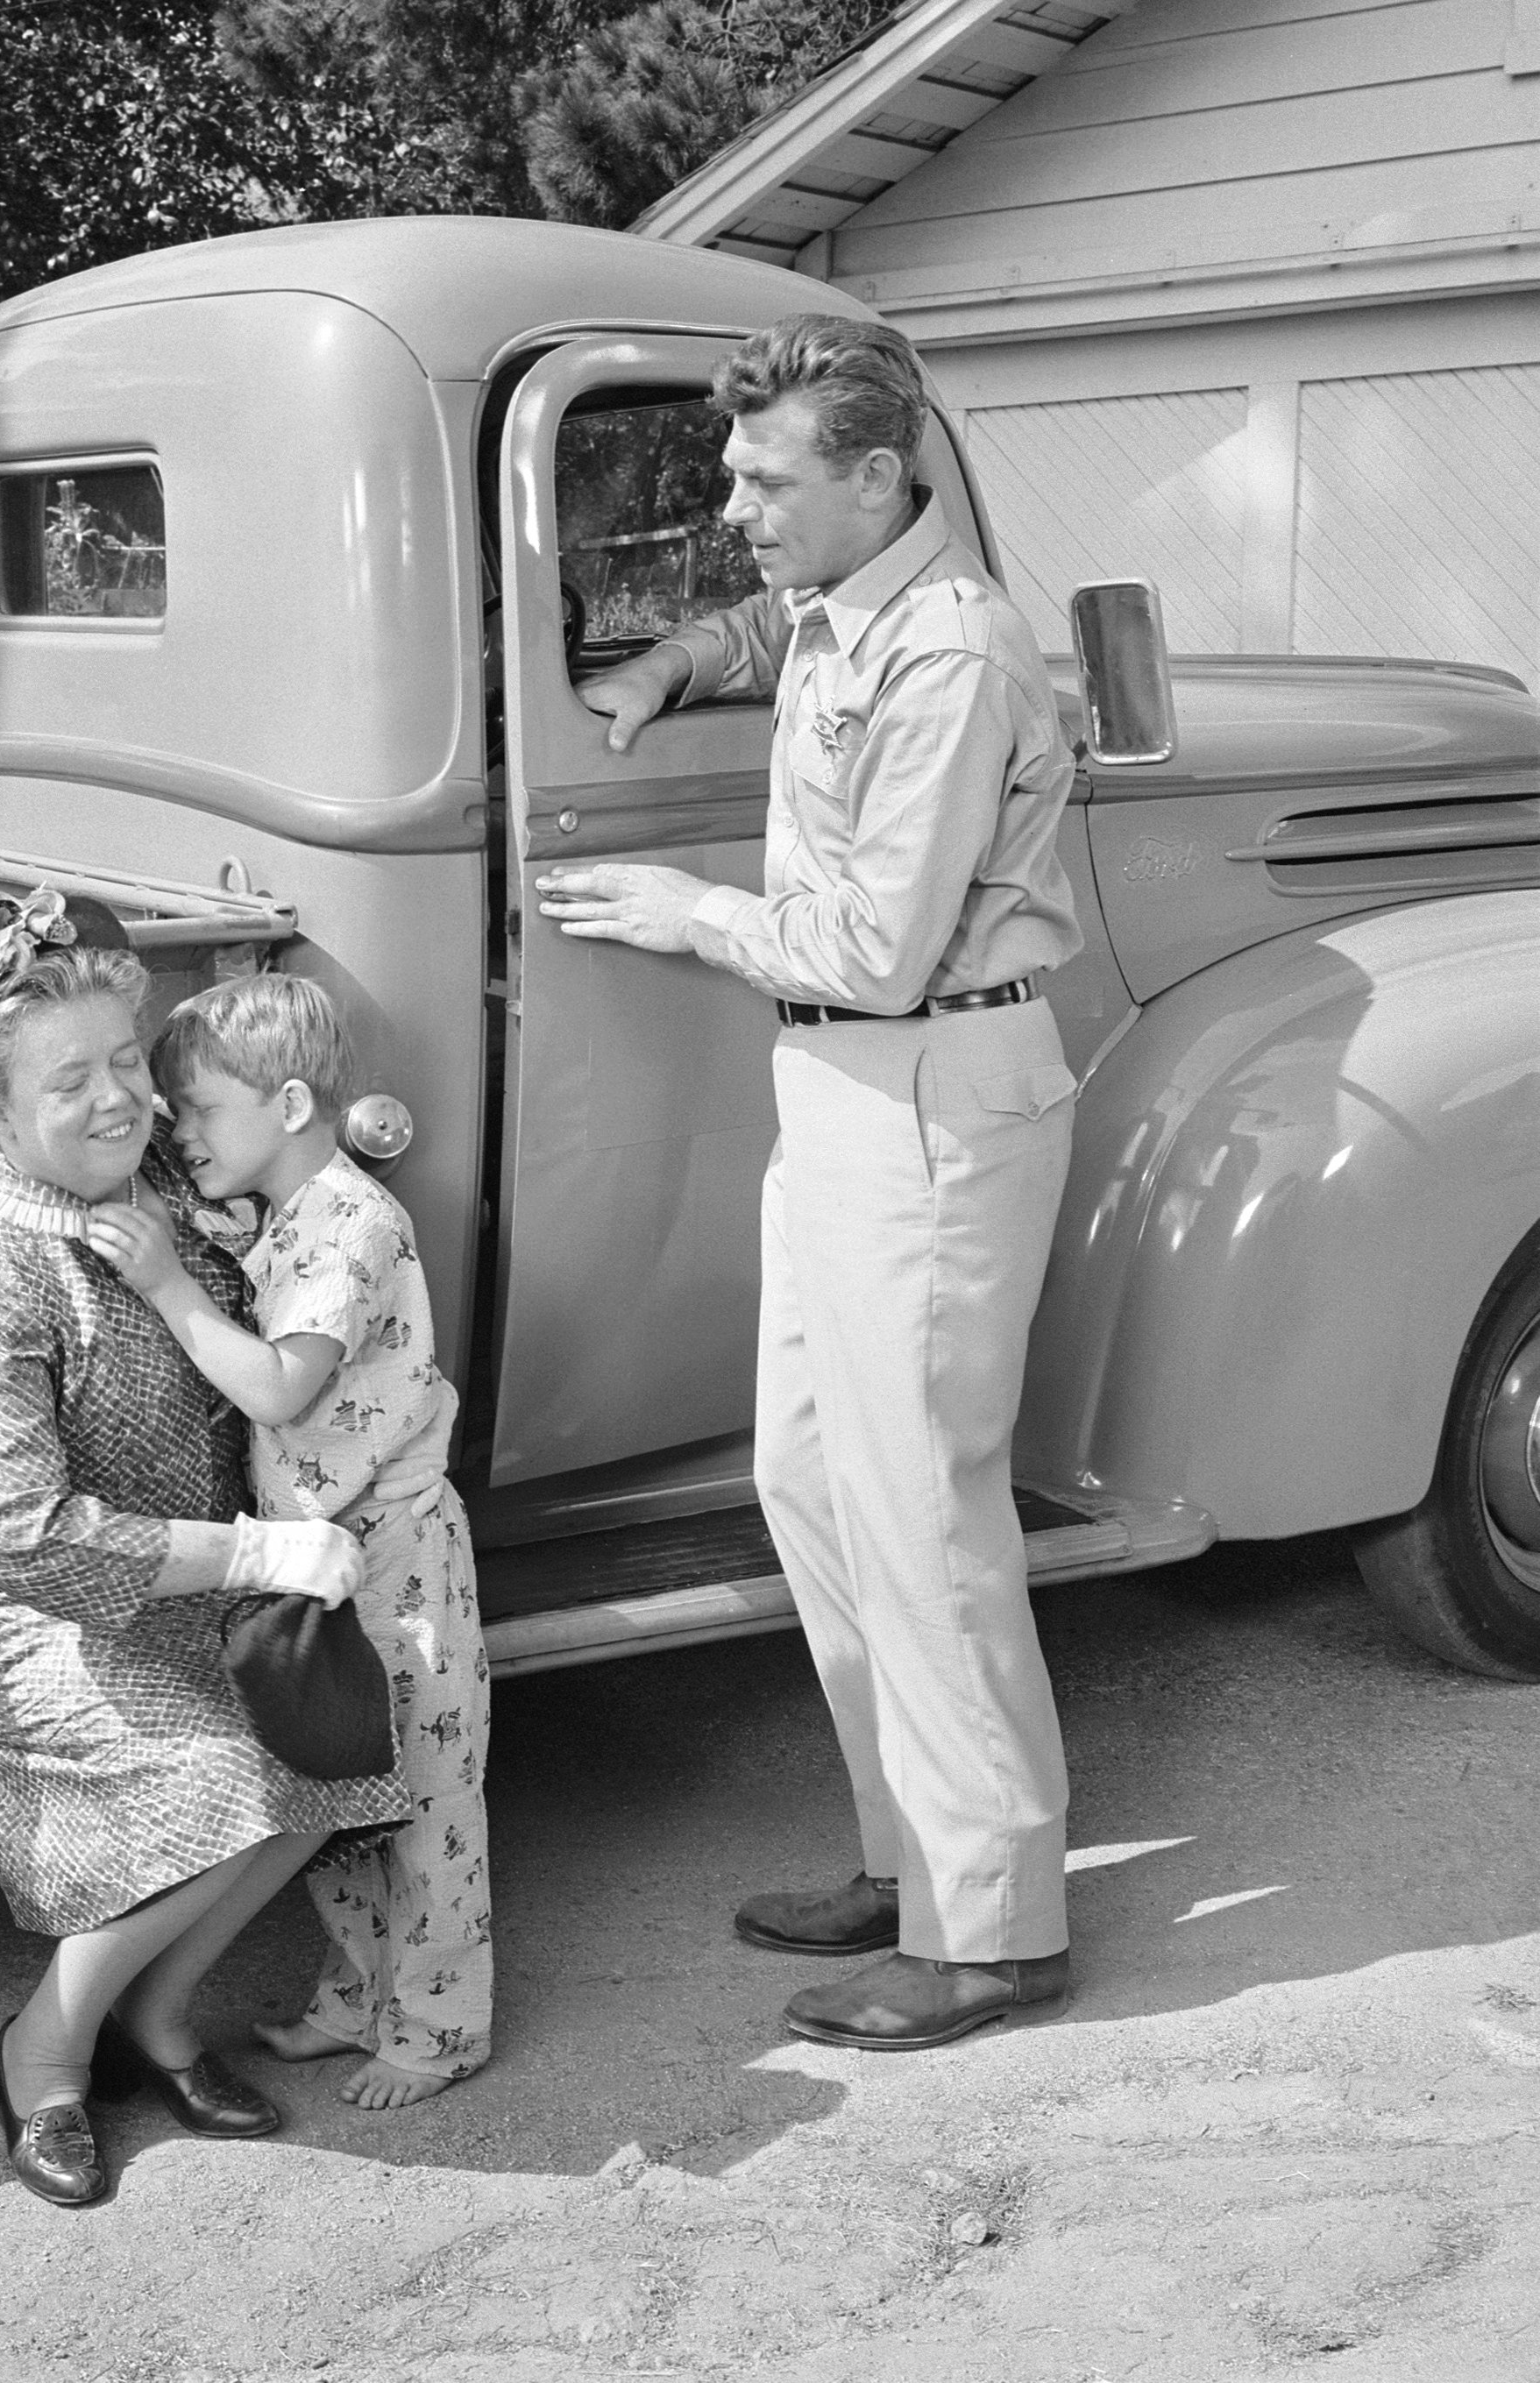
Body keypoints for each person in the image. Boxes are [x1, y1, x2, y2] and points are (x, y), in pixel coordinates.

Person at [534, 314, 1084, 2053]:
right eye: (731, 474)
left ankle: (993, 1928)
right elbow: (779, 621)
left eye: (767, 480)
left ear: (871, 474)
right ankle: (910, 1852)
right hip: (848, 1102)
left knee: (923, 1519)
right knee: (811, 1479)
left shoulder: (954, 654)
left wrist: (684, 910)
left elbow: (877, 948)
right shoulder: (852, 603)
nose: (735, 504)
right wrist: (675, 661)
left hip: (924, 1080)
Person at [0, 892, 411, 2207]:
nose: (127, 1099)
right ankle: (42, 2052)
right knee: (232, 1776)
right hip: (28, 1609)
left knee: (339, 1750)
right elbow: (21, 1535)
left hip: (204, 1572)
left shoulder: (163, 1176)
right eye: (75, 1081)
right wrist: (255, 1557)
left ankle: (160, 2016)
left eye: (131, 1060)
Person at [85, 974, 493, 2110]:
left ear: (294, 1105)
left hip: (396, 1551)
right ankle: (358, 1997)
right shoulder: (288, 1220)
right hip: (322, 1559)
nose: (182, 1132)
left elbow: (278, 1385)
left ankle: (441, 2028)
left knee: (427, 1798)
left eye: (202, 1110)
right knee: (341, 1786)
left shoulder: (356, 1226)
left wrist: (169, 1288)